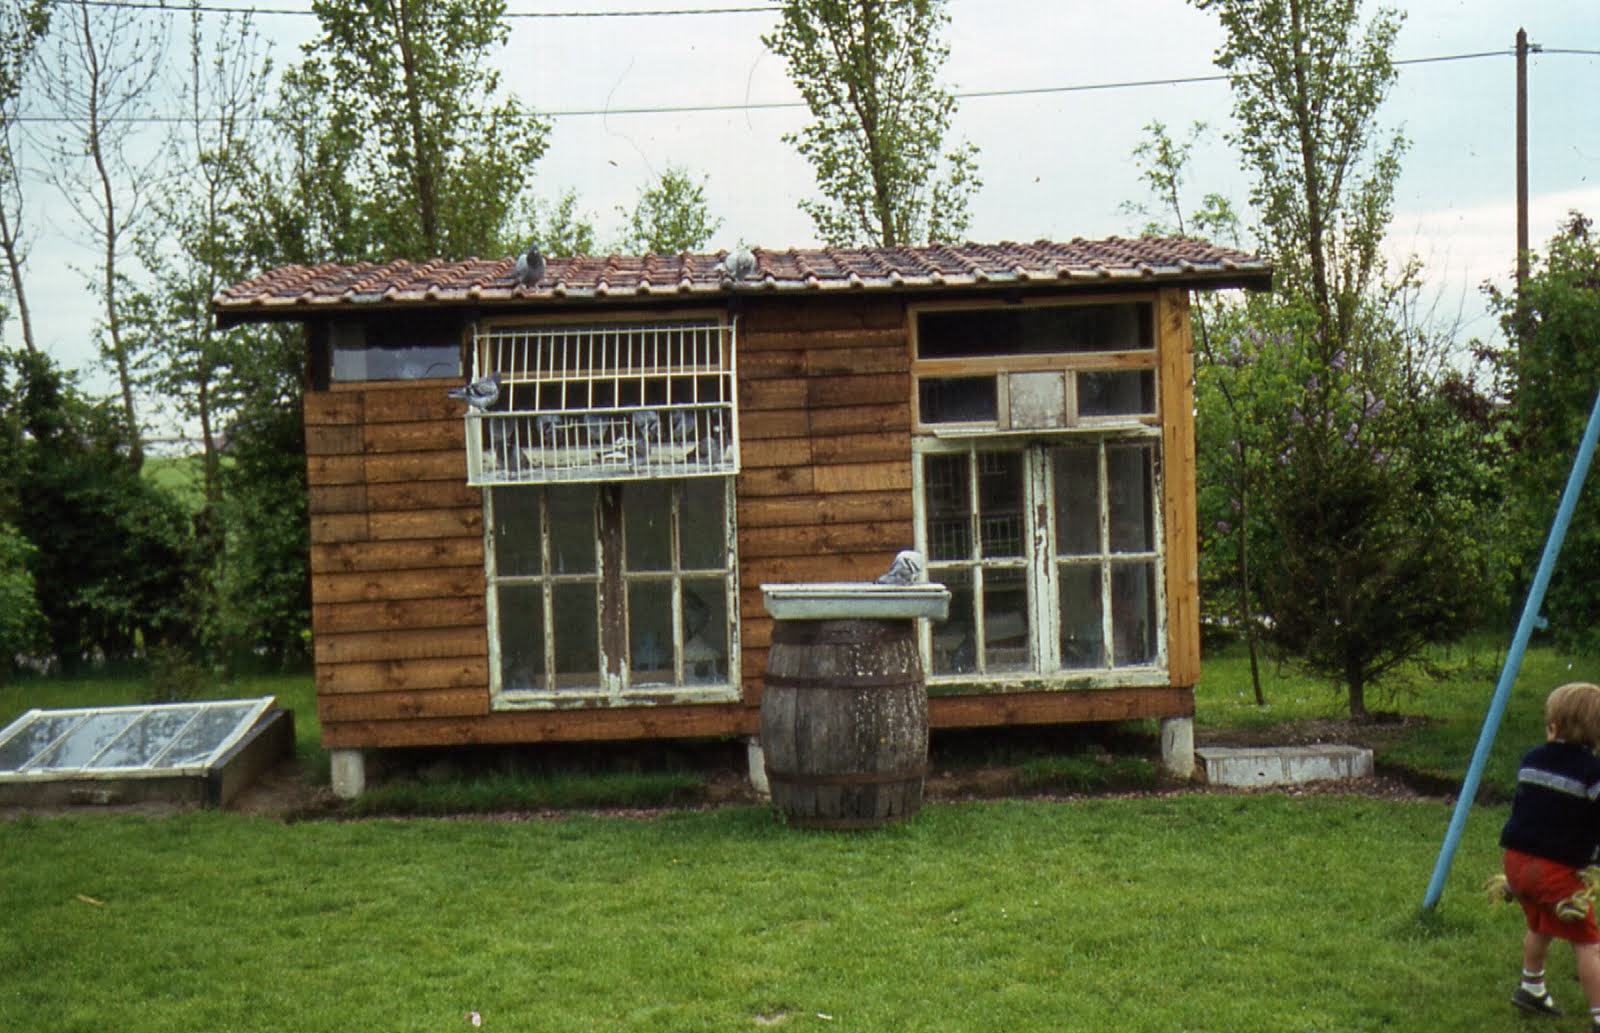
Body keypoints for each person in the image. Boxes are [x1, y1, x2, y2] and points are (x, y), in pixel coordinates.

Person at [1500, 681, 1600, 1028]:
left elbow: (1526, 810)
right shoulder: (1593, 772)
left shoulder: (1530, 760)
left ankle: (1531, 988)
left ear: (1553, 725)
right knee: (1588, 942)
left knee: (1540, 921)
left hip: (1515, 862)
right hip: (1556, 871)